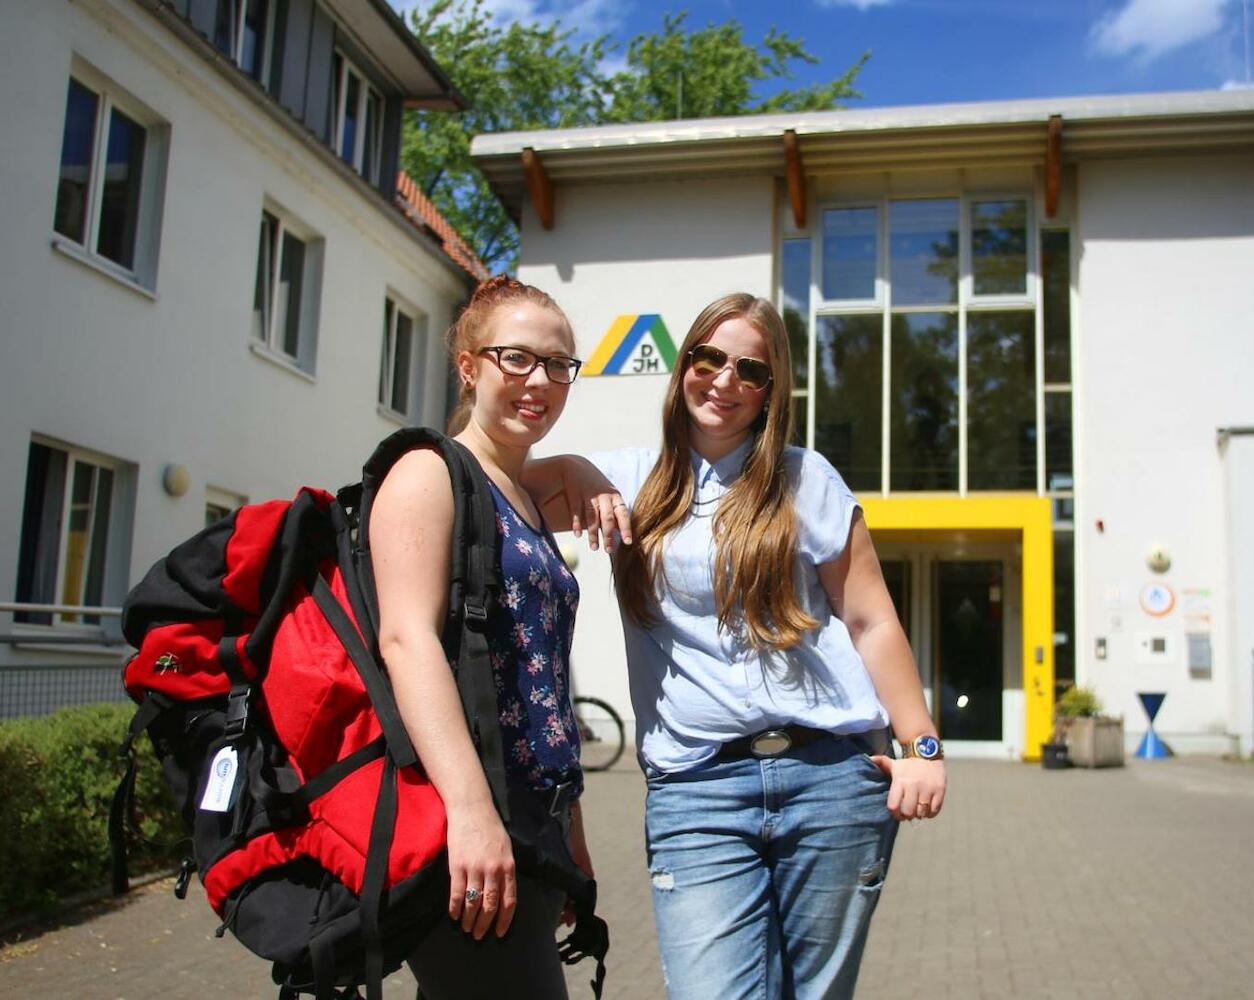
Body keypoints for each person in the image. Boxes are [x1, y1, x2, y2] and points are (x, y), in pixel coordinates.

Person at [526, 292, 946, 1000]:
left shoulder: (806, 479)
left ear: (771, 391)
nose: (724, 381)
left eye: (750, 370)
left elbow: (871, 619)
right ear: (684, 363)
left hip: (833, 782)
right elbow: (482, 485)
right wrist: (568, 464)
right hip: (697, 789)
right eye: (709, 358)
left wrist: (922, 748)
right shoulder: (625, 481)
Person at [369, 275, 592, 1000]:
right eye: (517, 359)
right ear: (469, 367)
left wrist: (573, 838)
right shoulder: (427, 474)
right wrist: (469, 816)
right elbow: (406, 641)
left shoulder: (521, 495)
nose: (541, 381)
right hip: (470, 826)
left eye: (559, 364)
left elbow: (544, 677)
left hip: (533, 824)